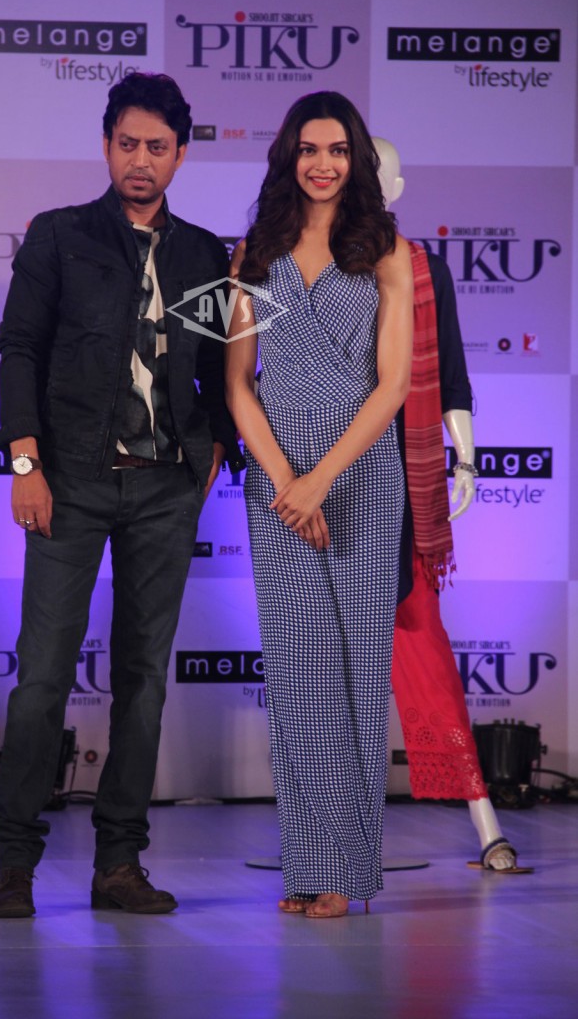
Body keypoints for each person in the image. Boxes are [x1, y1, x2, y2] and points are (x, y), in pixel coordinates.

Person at [0, 72, 243, 918]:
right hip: (70, 482)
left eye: (157, 147)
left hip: (166, 490)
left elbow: (222, 370)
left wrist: (215, 451)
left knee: (143, 679)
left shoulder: (204, 253)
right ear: (105, 146)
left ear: (181, 155)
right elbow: (19, 349)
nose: (140, 160)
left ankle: (119, 865)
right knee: (42, 678)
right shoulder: (58, 235)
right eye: (127, 144)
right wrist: (26, 465)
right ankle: (14, 865)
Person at [225, 92, 413, 918]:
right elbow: (238, 384)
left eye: (337, 150)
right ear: (288, 157)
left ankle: (345, 872)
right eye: (309, 149)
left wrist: (319, 481)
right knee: (299, 674)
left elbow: (393, 385)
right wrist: (284, 481)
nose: (323, 164)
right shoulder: (256, 251)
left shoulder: (386, 249)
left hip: (359, 471)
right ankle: (306, 863)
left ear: (357, 159)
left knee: (356, 673)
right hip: (277, 477)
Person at [374, 137, 531, 873]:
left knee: (424, 647)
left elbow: (452, 371)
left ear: (398, 187)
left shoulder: (422, 268)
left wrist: (463, 456)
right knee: (321, 664)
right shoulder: (306, 264)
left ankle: (484, 819)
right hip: (327, 484)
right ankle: (324, 839)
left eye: (376, 172)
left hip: (406, 484)